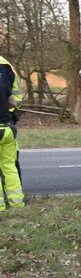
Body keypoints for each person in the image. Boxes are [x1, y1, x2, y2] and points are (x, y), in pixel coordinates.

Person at [0, 55, 24, 210]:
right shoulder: (6, 66)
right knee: (9, 167)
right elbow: (13, 102)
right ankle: (17, 203)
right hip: (7, 126)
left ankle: (1, 207)